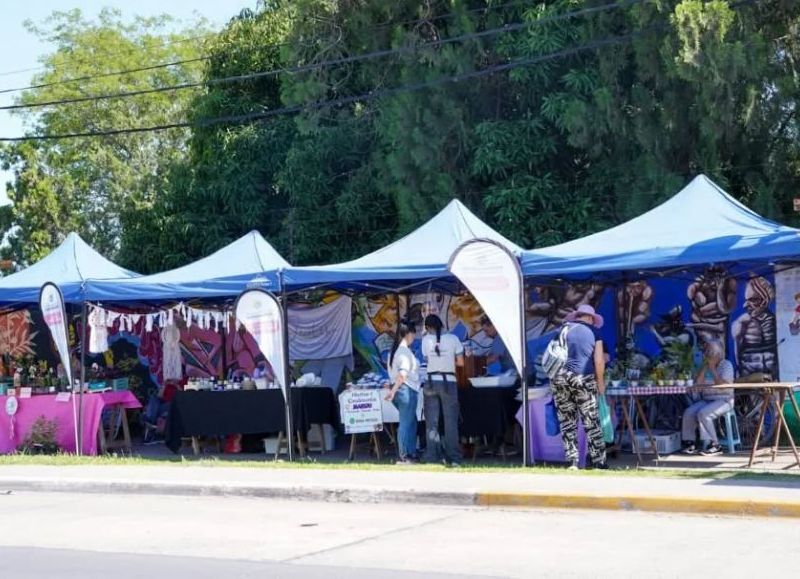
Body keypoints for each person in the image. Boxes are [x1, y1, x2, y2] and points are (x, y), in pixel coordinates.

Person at [550, 304, 608, 470]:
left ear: (577, 316)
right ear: (590, 318)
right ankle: (598, 461)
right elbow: (599, 361)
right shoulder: (594, 333)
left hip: (559, 379)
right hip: (583, 378)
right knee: (591, 420)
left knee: (567, 421)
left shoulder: (562, 330)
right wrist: (601, 383)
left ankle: (572, 461)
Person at [421, 314, 464, 466]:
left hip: (431, 382)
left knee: (431, 422)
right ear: (442, 325)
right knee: (450, 421)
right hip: (449, 382)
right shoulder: (453, 339)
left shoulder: (426, 340)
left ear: (427, 328)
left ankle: (432, 456)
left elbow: (427, 360)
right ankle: (454, 458)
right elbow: (461, 363)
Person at [681, 339, 735, 456]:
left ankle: (715, 445)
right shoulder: (705, 366)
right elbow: (698, 383)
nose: (707, 354)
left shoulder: (726, 365)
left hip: (724, 399)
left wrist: (712, 368)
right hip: (707, 399)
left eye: (710, 351)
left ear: (718, 353)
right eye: (706, 351)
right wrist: (706, 367)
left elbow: (722, 386)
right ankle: (690, 443)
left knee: (704, 413)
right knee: (689, 412)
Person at [385, 320, 421, 464]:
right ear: (408, 334)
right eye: (413, 333)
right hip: (406, 389)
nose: (414, 336)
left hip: (402, 389)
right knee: (406, 423)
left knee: (410, 422)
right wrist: (393, 391)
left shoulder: (393, 352)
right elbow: (402, 375)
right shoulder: (404, 352)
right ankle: (405, 454)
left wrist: (393, 389)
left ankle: (410, 453)